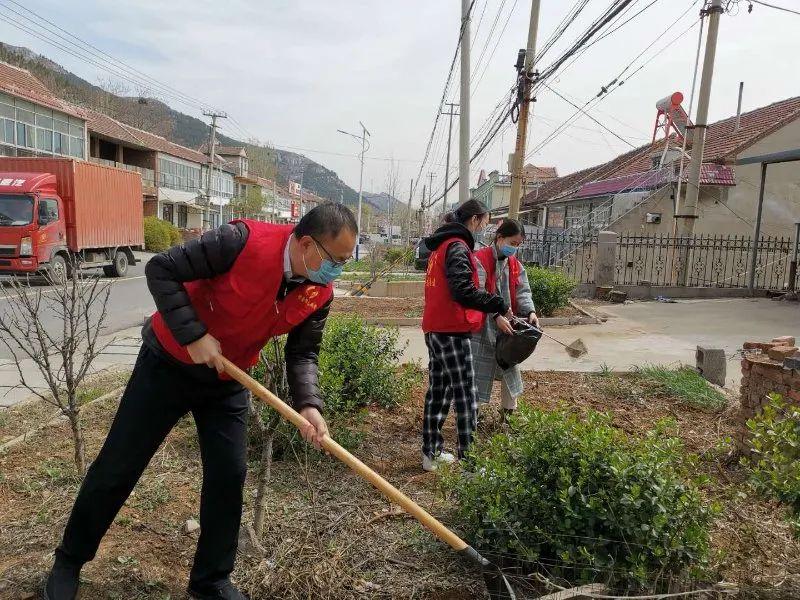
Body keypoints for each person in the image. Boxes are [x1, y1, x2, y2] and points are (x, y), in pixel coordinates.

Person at [44, 203, 357, 600]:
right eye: (336, 260)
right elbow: (162, 269)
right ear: (308, 243)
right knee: (119, 465)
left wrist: (309, 405)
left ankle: (210, 580)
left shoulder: (319, 291)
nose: (338, 271)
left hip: (227, 382)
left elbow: (303, 354)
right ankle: (69, 560)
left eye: (347, 261)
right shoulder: (239, 242)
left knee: (228, 479)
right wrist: (193, 334)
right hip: (167, 364)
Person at [420, 199, 512, 472]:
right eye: (485, 221)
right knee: (466, 396)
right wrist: (497, 303)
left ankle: (431, 454)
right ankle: (471, 465)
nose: (485, 227)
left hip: (436, 328)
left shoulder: (442, 245)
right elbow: (463, 290)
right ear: (474, 220)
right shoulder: (458, 247)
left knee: (439, 390)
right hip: (452, 330)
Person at [471, 218, 539, 420]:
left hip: (509, 327)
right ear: (500, 238)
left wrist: (530, 312)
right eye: (512, 243)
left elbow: (523, 291)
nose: (514, 248)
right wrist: (495, 315)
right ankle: (473, 415)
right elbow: (478, 292)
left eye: (518, 245)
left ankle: (508, 415)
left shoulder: (515, 264)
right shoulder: (479, 259)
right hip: (482, 327)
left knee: (511, 367)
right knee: (477, 371)